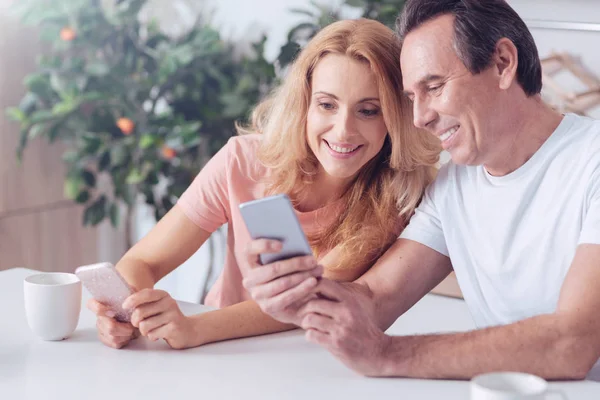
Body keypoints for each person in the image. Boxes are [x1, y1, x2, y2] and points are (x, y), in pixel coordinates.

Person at [241, 0, 600, 380]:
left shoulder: (591, 161)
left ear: (502, 63)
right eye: (412, 97)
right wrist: (299, 294)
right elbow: (375, 298)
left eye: (434, 86)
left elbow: (573, 342)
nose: (419, 117)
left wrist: (387, 354)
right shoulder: (454, 186)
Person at [87, 18, 440, 350]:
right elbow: (145, 260)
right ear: (305, 105)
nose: (343, 129)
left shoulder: (395, 196)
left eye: (368, 110)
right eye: (327, 105)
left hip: (314, 360)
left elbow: (305, 299)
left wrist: (195, 328)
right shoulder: (243, 161)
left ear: (395, 118)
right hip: (215, 353)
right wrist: (124, 310)